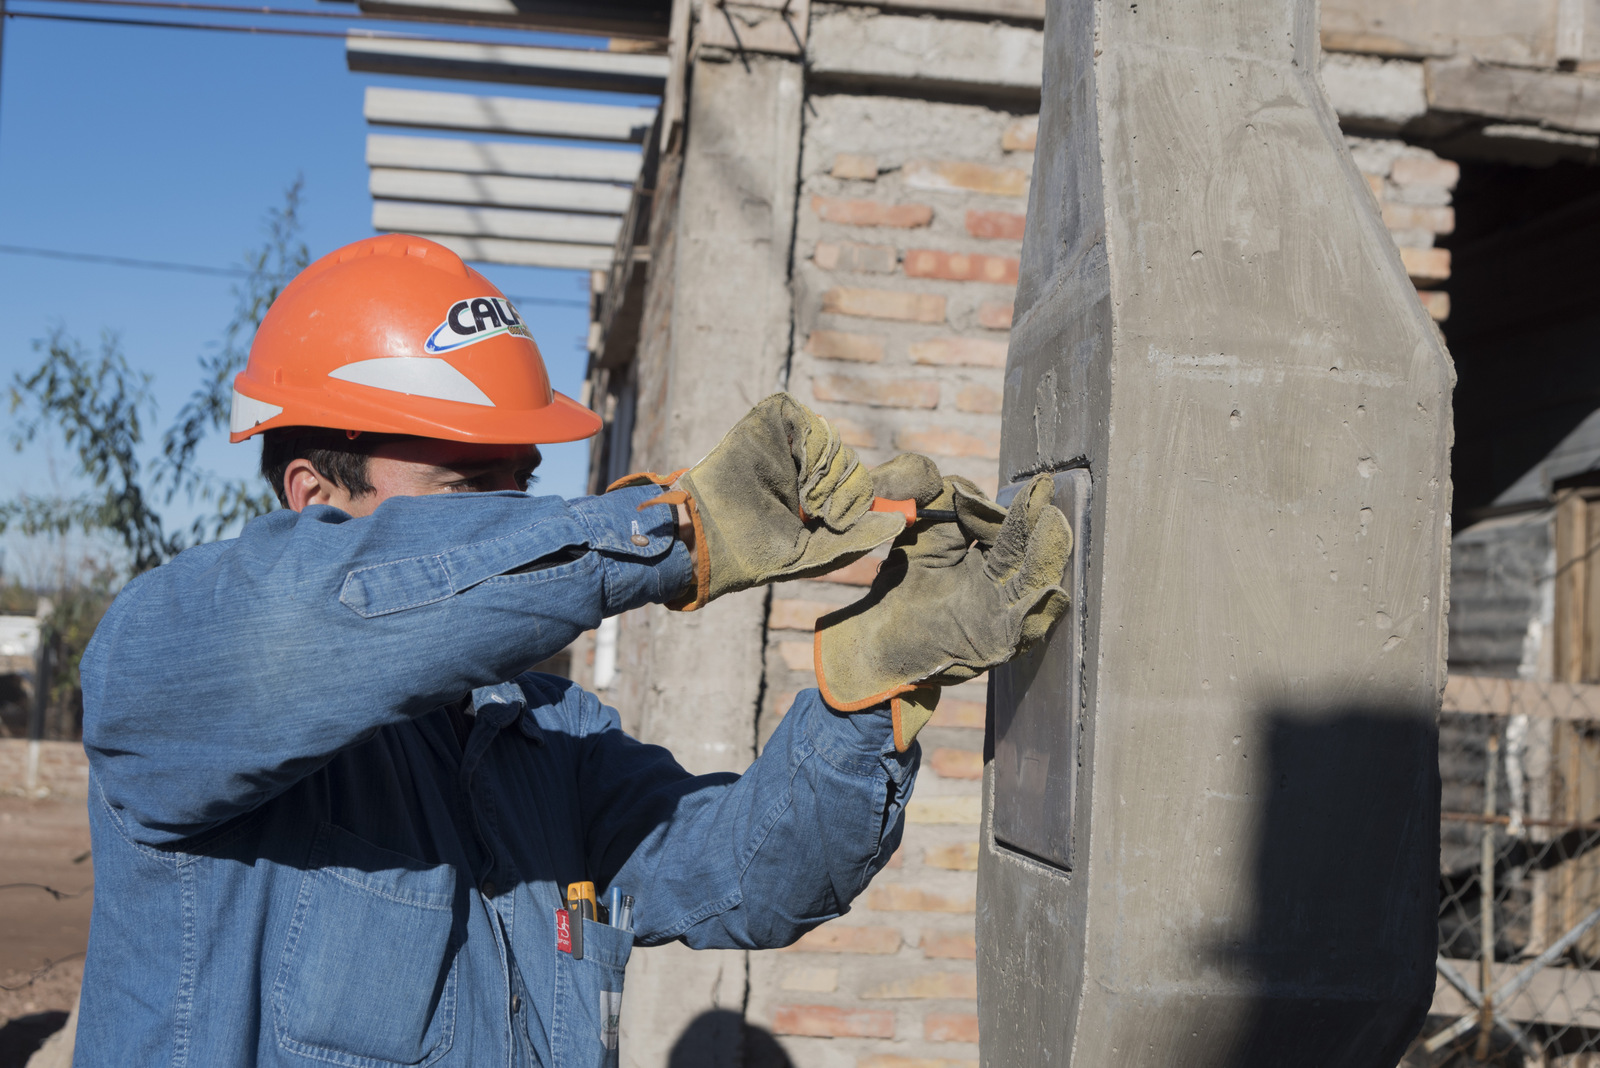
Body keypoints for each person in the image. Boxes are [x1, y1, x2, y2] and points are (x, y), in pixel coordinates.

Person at [72, 235, 1069, 1066]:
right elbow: (331, 611)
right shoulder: (169, 670)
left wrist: (873, 687)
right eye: (470, 486)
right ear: (314, 497)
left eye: (525, 479)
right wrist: (679, 529)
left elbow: (747, 877)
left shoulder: (546, 737)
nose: (517, 514)